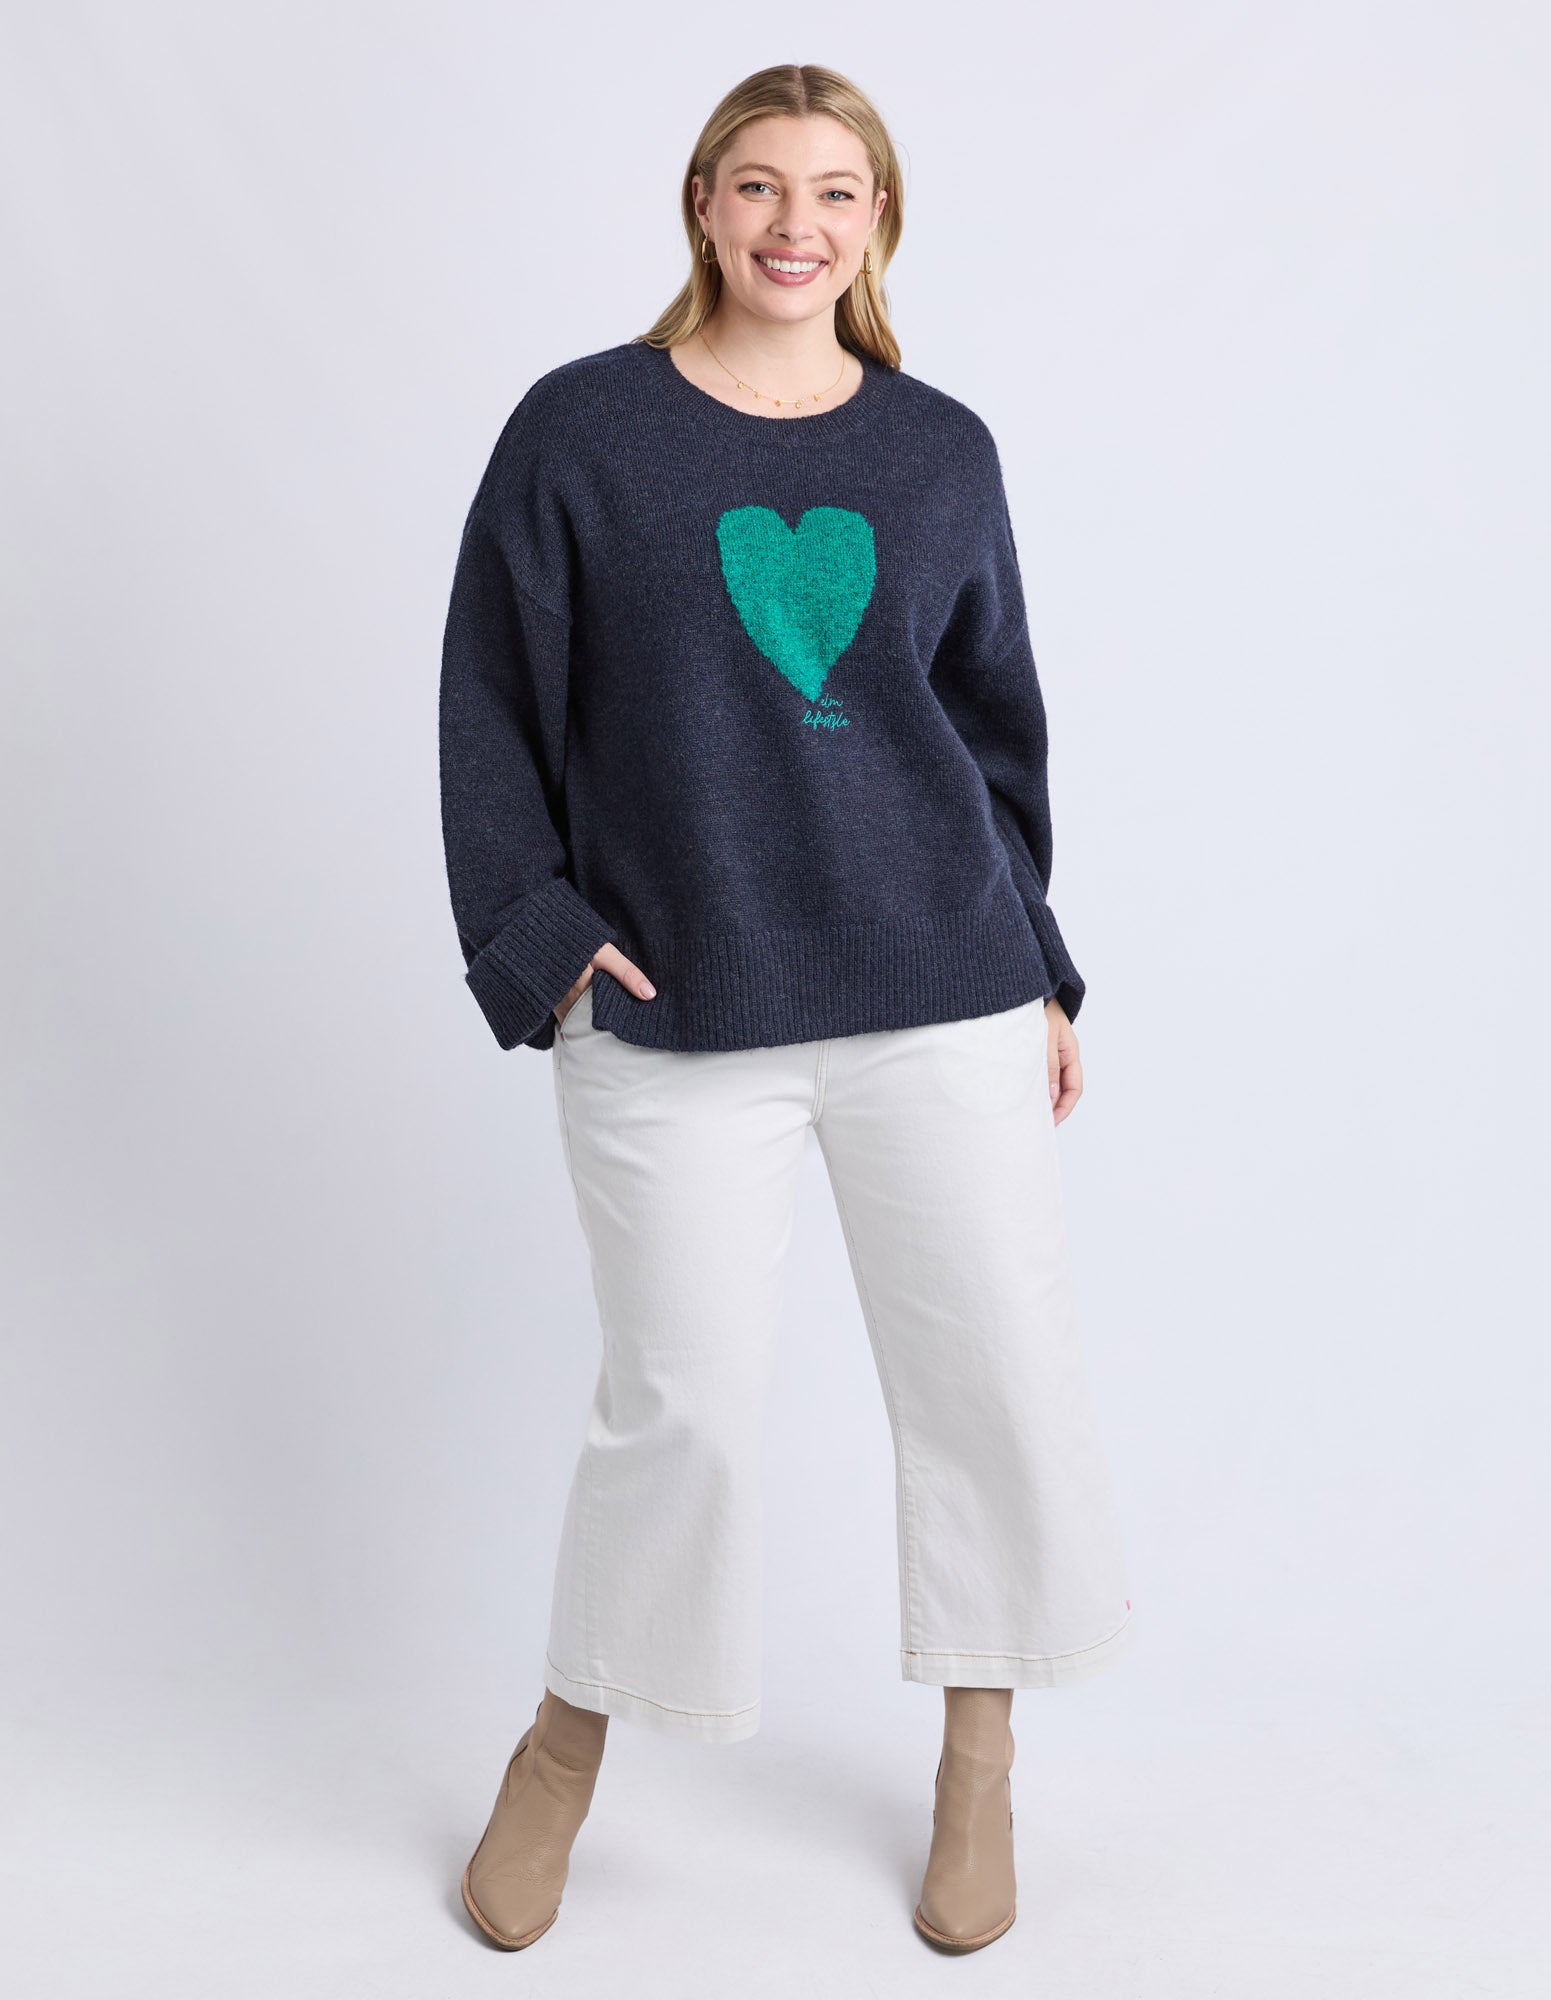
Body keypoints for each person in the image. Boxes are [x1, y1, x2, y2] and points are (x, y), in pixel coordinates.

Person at [438, 61, 1133, 1957]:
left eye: (836, 191)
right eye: (759, 186)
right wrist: (537, 932)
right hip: (678, 1005)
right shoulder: (582, 432)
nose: (795, 225)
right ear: (703, 205)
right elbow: (490, 696)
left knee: (994, 1372)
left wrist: (1038, 963)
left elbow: (991, 730)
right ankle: (563, 1750)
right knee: (680, 1408)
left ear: (879, 221)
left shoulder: (940, 451)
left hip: (942, 987)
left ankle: (978, 1757)